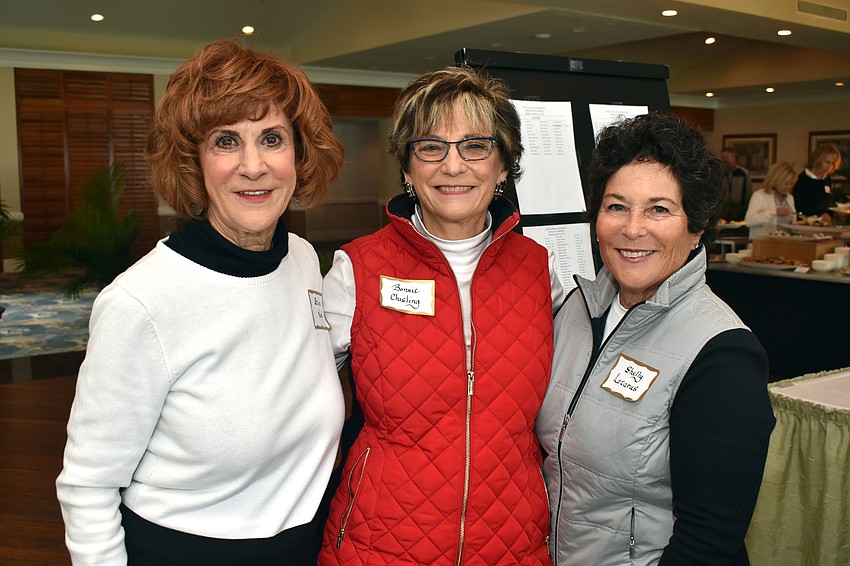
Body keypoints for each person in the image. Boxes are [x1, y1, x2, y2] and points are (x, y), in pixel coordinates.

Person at [55, 40, 346, 565]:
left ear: (299, 156)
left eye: (273, 139)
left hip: (306, 546)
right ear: (195, 160)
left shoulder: (302, 259)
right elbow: (88, 486)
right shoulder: (141, 302)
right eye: (226, 141)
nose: (253, 166)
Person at [318, 66, 565, 565]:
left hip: (509, 541)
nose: (453, 166)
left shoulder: (539, 269)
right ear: (407, 169)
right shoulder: (358, 268)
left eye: (476, 146)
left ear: (503, 166)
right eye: (430, 147)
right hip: (380, 541)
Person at [536, 112, 775, 566]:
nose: (632, 228)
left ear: (697, 225)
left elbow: (708, 542)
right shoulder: (574, 312)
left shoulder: (722, 354)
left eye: (659, 209)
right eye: (616, 206)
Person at [745, 161, 797, 239]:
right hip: (763, 244)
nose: (788, 187)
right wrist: (774, 212)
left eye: (791, 184)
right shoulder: (760, 195)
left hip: (786, 242)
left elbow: (792, 223)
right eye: (785, 184)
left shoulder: (790, 198)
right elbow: (749, 221)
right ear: (775, 180)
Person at [793, 142, 842, 220]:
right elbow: (800, 209)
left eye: (833, 164)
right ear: (817, 160)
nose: (829, 166)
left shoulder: (827, 180)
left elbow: (826, 204)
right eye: (827, 162)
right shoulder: (802, 180)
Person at [718, 147, 752, 221]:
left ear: (734, 157)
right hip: (722, 214)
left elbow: (748, 193)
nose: (724, 160)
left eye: (727, 157)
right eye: (722, 157)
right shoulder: (720, 173)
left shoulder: (743, 173)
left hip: (740, 214)